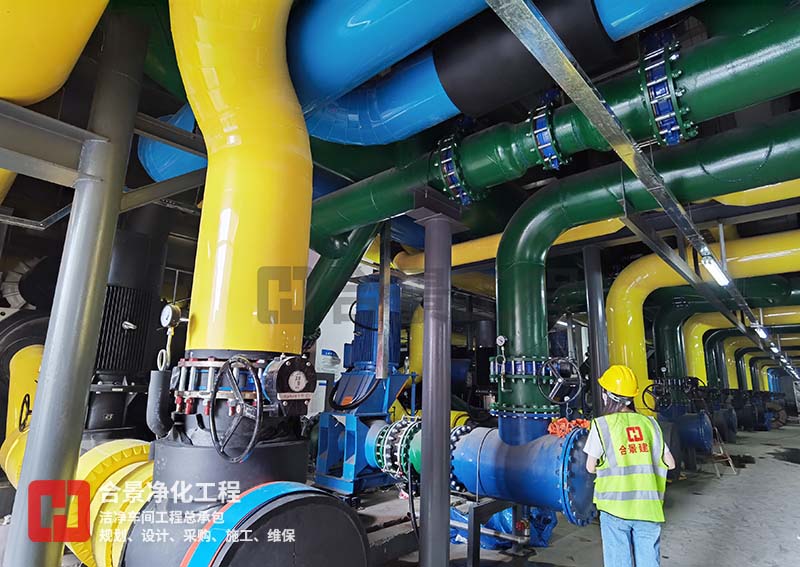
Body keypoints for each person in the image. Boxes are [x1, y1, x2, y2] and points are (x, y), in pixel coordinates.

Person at [583, 365, 676, 567]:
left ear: (607, 396)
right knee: (649, 560)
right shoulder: (650, 424)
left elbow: (590, 467)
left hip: (614, 507)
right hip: (648, 507)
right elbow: (670, 463)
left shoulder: (601, 425)